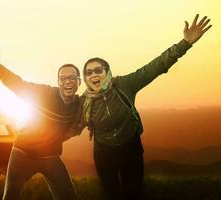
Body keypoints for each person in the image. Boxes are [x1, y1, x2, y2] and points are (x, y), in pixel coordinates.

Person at [76, 14, 212, 200]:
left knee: (133, 193)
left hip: (130, 148)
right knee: (112, 194)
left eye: (98, 70)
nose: (93, 75)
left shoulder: (125, 85)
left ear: (107, 72)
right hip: (103, 153)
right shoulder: (83, 101)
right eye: (88, 72)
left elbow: (156, 66)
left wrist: (185, 43)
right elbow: (66, 123)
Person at [0, 43, 82, 200]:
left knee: (68, 196)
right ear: (58, 82)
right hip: (23, 152)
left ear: (79, 81)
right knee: (11, 195)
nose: (67, 82)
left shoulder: (79, 104)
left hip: (51, 156)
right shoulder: (44, 93)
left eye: (71, 78)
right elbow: (15, 83)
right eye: (63, 78)